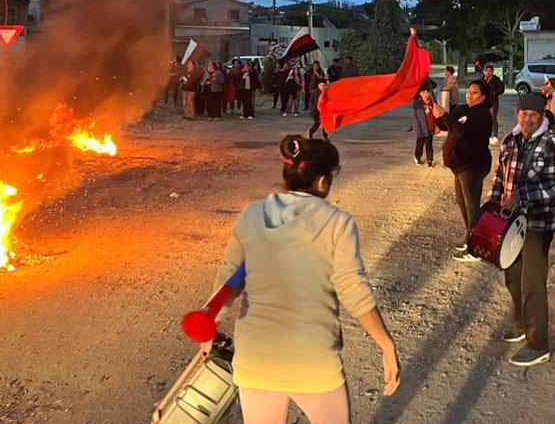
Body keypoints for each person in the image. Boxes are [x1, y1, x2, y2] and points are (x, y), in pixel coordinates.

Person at [210, 136, 400, 424]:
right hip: (313, 361)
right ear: (322, 182)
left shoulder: (251, 215)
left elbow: (230, 280)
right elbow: (353, 290)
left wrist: (210, 328)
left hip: (255, 359)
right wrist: (386, 344)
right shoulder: (337, 223)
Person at [489, 92, 555, 367]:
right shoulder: (510, 141)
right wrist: (492, 205)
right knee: (512, 275)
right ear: (517, 114)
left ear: (542, 116)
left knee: (532, 281)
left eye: (533, 115)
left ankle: (538, 345)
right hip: (511, 223)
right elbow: (500, 177)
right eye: (523, 114)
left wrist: (522, 196)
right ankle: (522, 323)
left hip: (538, 223)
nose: (527, 119)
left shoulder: (553, 145)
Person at [431, 80, 494, 260]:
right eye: (469, 91)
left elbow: (462, 131)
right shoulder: (463, 109)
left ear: (483, 97)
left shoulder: (483, 115)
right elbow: (446, 126)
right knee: (461, 201)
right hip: (459, 166)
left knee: (472, 205)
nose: (470, 95)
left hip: (473, 165)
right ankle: (471, 236)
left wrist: (446, 116)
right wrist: (437, 115)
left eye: (475, 92)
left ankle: (477, 247)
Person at [411, 87, 436, 167]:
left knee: (429, 144)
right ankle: (417, 157)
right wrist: (417, 129)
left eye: (427, 91)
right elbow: (415, 118)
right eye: (424, 92)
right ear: (420, 93)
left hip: (430, 126)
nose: (427, 93)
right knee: (420, 143)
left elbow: (435, 115)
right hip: (421, 128)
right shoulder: (416, 104)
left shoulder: (432, 102)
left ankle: (430, 160)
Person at [483, 64, 505, 145]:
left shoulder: (496, 79)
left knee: (493, 118)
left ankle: (495, 135)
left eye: (490, 71)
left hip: (493, 102)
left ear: (492, 71)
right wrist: (484, 80)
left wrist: (495, 92)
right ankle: (486, 134)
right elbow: (480, 86)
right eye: (487, 71)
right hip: (485, 102)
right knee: (485, 118)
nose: (488, 72)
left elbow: (502, 89)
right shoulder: (484, 78)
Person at [306, 61, 326, 134]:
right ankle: (311, 132)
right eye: (314, 66)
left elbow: (322, 79)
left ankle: (325, 134)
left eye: (316, 65)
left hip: (320, 96)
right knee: (317, 120)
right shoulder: (310, 73)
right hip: (314, 98)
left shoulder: (320, 73)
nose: (315, 67)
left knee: (323, 119)